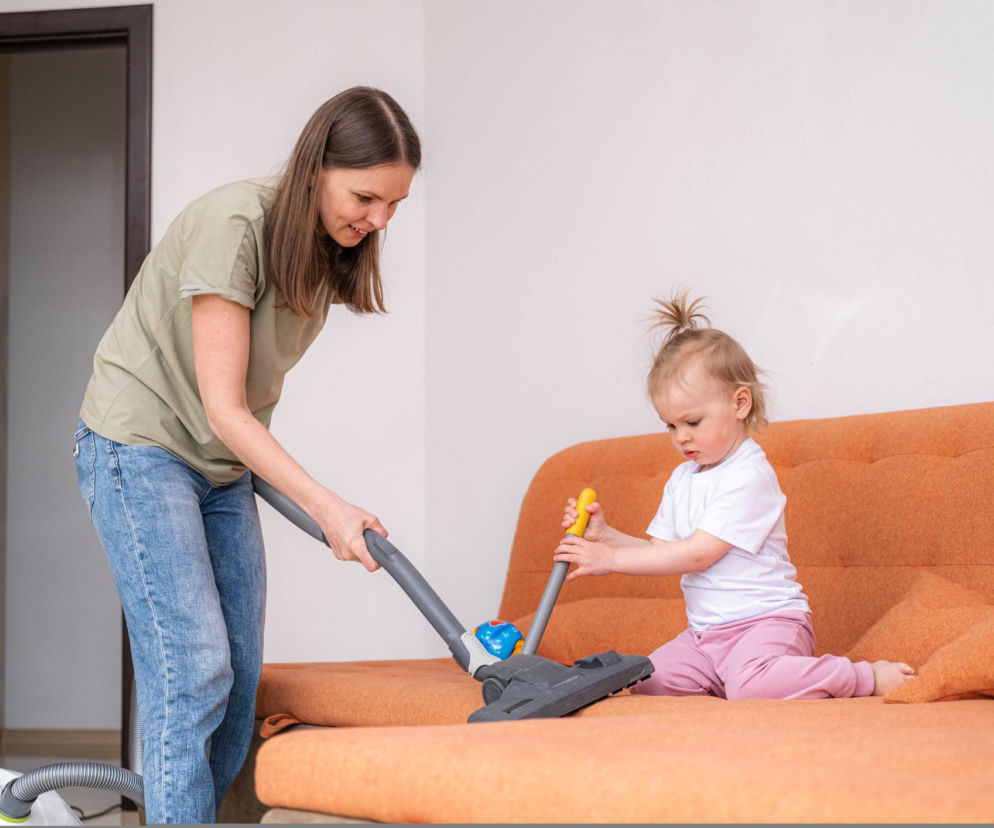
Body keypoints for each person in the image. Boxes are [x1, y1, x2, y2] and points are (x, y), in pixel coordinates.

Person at [72, 86, 420, 823]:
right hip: (139, 447)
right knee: (192, 671)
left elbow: (243, 405)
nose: (380, 219)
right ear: (316, 167)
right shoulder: (234, 223)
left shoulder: (329, 249)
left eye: (394, 204)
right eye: (366, 196)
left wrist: (318, 503)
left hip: (220, 466)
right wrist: (329, 507)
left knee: (236, 683)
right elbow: (226, 405)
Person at [553, 291, 915, 701]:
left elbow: (697, 555)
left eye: (692, 421)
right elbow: (663, 549)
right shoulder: (683, 478)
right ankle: (733, 680)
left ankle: (862, 676)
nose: (681, 437)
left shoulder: (748, 474)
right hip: (706, 636)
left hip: (768, 624)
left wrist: (613, 561)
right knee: (648, 681)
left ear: (739, 403)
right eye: (670, 426)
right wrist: (608, 537)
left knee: (749, 684)